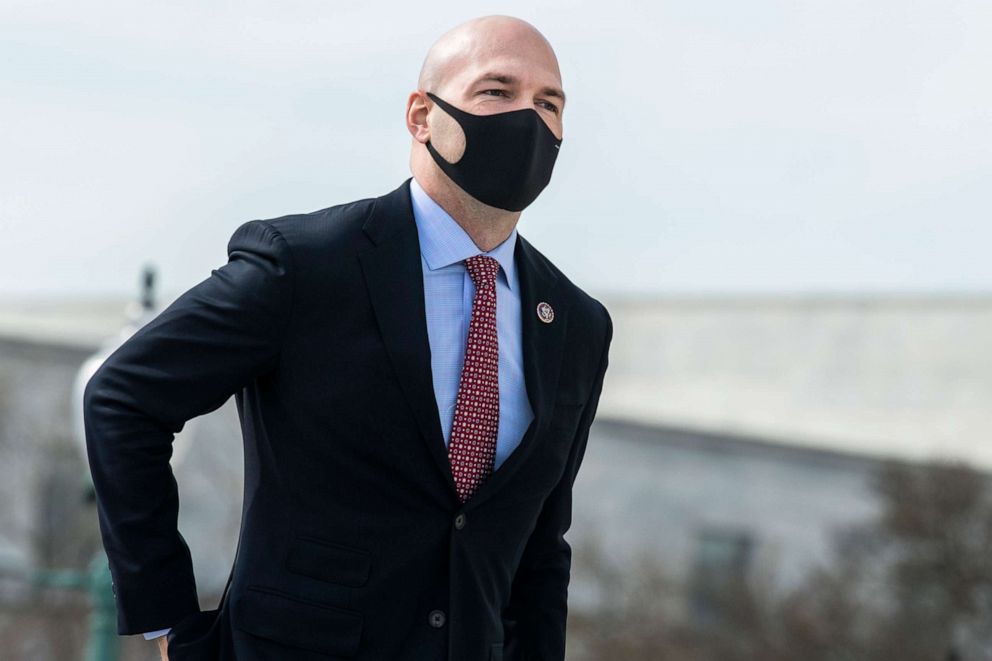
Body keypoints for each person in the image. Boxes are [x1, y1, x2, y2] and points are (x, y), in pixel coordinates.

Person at [84, 14, 613, 661]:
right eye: (496, 91)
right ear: (422, 115)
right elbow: (122, 397)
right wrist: (167, 621)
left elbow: (539, 546)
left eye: (549, 102)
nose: (527, 118)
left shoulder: (577, 325)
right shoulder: (306, 265)